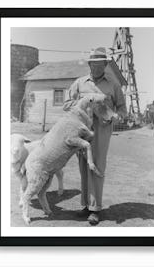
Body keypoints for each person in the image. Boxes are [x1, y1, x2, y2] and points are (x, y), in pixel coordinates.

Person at [63, 47, 127, 225]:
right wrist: (85, 101)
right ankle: (85, 205)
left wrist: (115, 116)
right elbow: (66, 105)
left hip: (101, 132)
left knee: (97, 167)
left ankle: (95, 209)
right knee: (83, 166)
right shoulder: (79, 83)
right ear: (89, 64)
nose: (96, 67)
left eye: (101, 64)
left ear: (106, 64)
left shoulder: (113, 85)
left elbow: (122, 109)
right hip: (82, 130)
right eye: (93, 64)